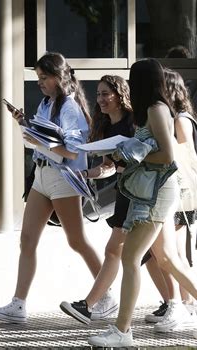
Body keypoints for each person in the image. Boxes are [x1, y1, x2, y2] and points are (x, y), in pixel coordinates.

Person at [88, 59, 197, 347]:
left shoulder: (156, 109)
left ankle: (122, 331)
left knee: (130, 257)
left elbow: (168, 156)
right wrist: (125, 156)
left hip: (158, 194)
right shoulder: (153, 110)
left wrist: (129, 156)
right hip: (157, 192)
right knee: (166, 258)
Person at [0, 52, 102, 323]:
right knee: (27, 240)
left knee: (77, 241)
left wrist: (40, 143)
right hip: (42, 175)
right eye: (38, 77)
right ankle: (18, 304)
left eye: (44, 77)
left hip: (64, 177)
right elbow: (43, 137)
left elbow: (72, 152)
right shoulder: (47, 102)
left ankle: (105, 293)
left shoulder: (71, 108)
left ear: (59, 78)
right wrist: (23, 123)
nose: (39, 82)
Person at [60, 75, 134, 324]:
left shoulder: (134, 124)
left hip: (138, 192)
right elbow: (110, 166)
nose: (101, 99)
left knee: (117, 251)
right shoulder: (106, 126)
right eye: (99, 94)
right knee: (159, 257)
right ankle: (178, 305)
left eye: (106, 94)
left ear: (120, 95)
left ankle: (89, 305)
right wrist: (88, 174)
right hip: (126, 192)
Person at [143, 68, 197, 330]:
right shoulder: (181, 117)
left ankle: (186, 307)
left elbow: (179, 153)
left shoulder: (180, 120)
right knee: (168, 253)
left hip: (181, 193)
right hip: (183, 192)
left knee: (175, 253)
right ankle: (179, 305)